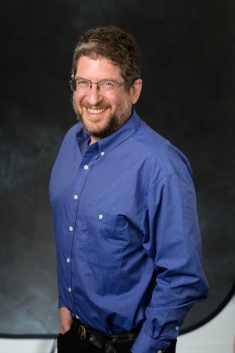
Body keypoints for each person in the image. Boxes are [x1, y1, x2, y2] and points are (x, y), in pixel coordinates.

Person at [49, 26, 208, 353]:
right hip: (74, 337)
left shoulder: (160, 167)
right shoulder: (71, 141)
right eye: (83, 83)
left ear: (134, 90)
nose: (92, 98)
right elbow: (71, 232)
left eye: (107, 84)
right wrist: (66, 304)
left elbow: (182, 277)